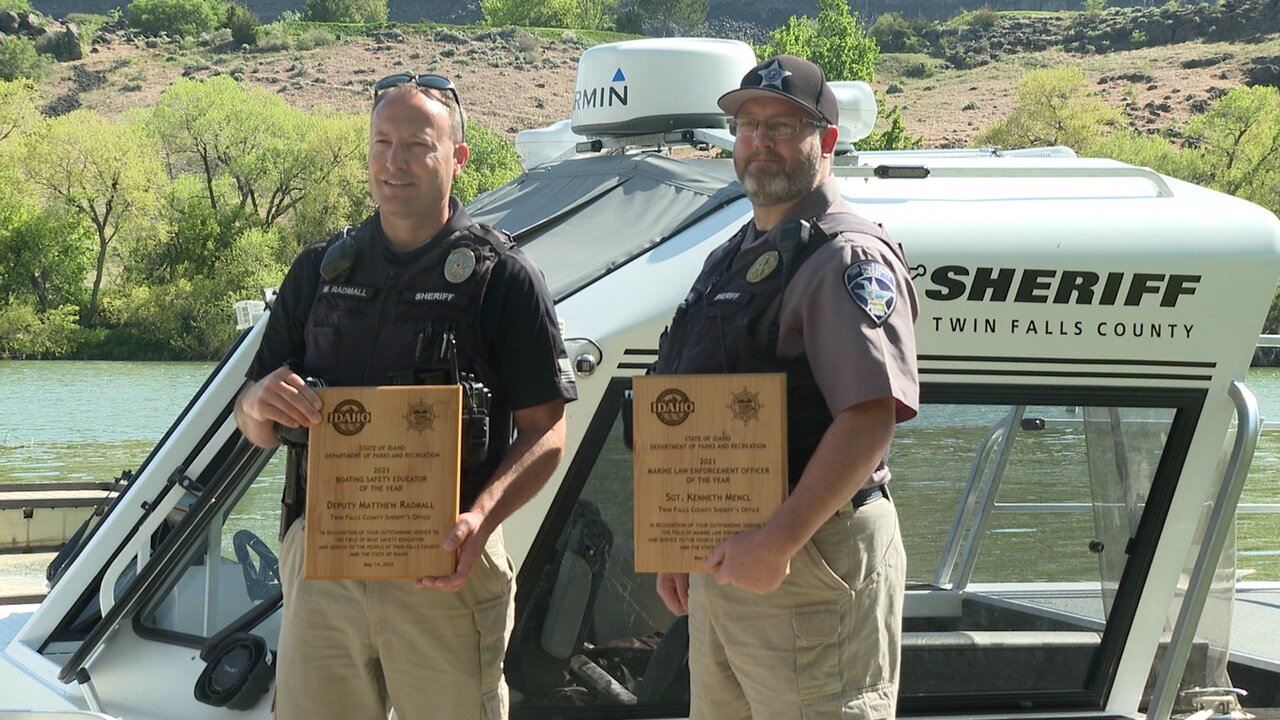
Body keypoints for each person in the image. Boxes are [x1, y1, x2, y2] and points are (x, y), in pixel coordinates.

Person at [234, 73, 577, 720]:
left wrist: (480, 522)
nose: (394, 162)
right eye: (381, 142)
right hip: (325, 564)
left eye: (417, 145)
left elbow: (546, 432)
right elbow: (252, 421)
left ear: (458, 157)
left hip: (446, 559)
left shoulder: (502, 278)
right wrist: (257, 406)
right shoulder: (319, 269)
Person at [652, 55, 919, 720]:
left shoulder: (844, 256)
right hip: (730, 557)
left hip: (808, 552)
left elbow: (870, 414)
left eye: (782, 127)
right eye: (747, 126)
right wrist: (678, 542)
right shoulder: (732, 254)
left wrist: (777, 541)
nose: (759, 143)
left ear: (825, 141)